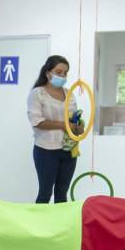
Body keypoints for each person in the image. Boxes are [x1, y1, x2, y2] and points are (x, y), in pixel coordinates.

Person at [27, 55, 83, 203]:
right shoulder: (37, 93)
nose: (63, 76)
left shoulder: (69, 94)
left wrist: (79, 126)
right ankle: (38, 226)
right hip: (46, 151)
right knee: (45, 193)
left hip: (68, 150)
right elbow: (36, 121)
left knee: (62, 195)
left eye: (65, 73)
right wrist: (63, 125)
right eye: (59, 72)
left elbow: (73, 119)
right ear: (47, 73)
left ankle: (59, 226)